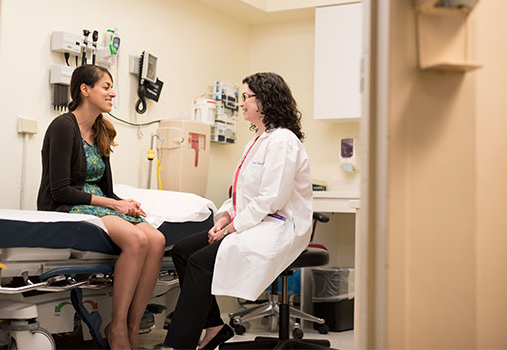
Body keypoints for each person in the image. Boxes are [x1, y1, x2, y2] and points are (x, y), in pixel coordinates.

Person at [163, 72, 313, 349]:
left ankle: (179, 344)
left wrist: (232, 228)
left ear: (265, 100)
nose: (241, 103)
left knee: (200, 261)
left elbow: (272, 198)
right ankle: (215, 327)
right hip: (254, 221)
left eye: (246, 97)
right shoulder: (257, 141)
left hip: (278, 226)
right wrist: (223, 219)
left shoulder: (283, 141)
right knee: (183, 250)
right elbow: (239, 194)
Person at [37, 64, 165, 350]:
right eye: (106, 87)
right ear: (85, 90)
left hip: (98, 203)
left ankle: (133, 326)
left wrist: (124, 204)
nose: (112, 93)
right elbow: (60, 190)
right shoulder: (63, 126)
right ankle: (118, 326)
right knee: (135, 240)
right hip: (67, 205)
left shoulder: (101, 129)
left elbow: (106, 188)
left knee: (156, 239)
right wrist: (113, 204)